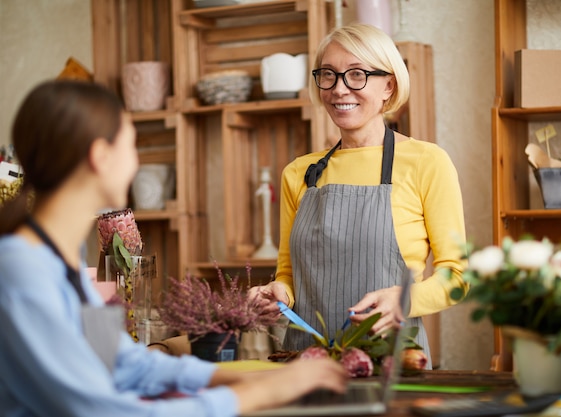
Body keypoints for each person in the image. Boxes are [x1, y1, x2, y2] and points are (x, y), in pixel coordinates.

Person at [0, 79, 347, 417]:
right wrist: (255, 394)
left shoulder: (63, 261)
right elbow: (99, 410)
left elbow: (121, 362)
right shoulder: (21, 273)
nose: (135, 164)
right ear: (100, 156)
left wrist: (237, 377)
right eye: (132, 146)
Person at [249, 23, 468, 367]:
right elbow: (289, 276)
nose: (339, 90)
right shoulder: (298, 173)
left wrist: (404, 300)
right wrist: (278, 294)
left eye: (356, 75)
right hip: (305, 364)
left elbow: (457, 276)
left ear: (389, 85)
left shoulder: (427, 162)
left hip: (391, 365)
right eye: (329, 75)